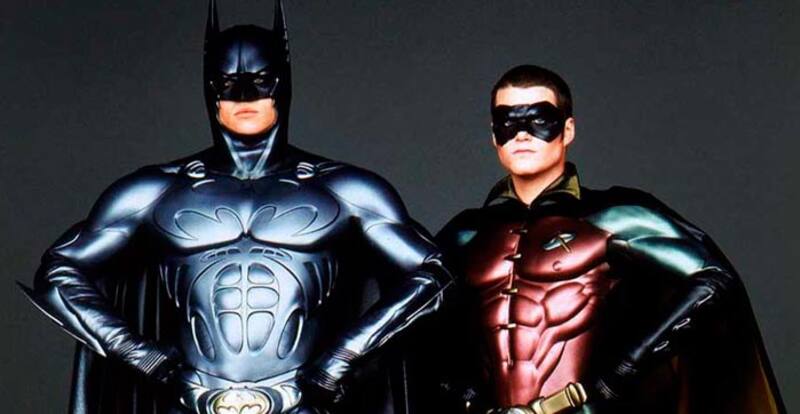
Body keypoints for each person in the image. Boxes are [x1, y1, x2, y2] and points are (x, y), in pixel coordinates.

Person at [19, 1, 450, 413]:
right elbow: (59, 271)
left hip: (301, 401)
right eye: (228, 84)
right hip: (191, 400)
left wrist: (346, 354)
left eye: (260, 81)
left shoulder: (343, 189)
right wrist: (138, 353)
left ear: (283, 84)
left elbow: (432, 273)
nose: (244, 95)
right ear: (209, 89)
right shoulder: (155, 191)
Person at [416, 64, 784, 414]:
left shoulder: (613, 217)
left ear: (568, 130)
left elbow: (714, 278)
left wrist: (621, 373)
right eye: (507, 122)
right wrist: (462, 393)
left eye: (539, 120)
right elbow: (413, 324)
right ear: (493, 134)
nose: (522, 134)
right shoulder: (467, 234)